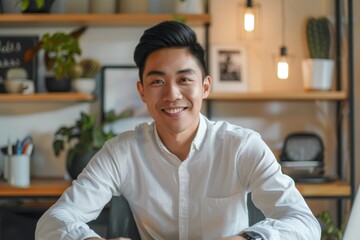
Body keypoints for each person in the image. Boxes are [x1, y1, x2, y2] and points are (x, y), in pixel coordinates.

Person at [35, 21, 321, 240]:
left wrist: (247, 238)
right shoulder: (122, 152)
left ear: (205, 87)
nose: (172, 95)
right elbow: (53, 222)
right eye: (157, 82)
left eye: (184, 79)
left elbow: (303, 222)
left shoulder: (242, 147)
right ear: (142, 92)